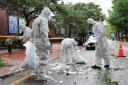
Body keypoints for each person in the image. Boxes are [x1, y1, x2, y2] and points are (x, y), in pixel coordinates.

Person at [31, 7, 54, 80]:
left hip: (36, 41)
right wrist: (47, 43)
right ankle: (41, 75)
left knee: (40, 57)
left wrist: (33, 40)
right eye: (49, 14)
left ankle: (37, 71)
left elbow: (32, 32)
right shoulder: (43, 20)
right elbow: (44, 32)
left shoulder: (36, 19)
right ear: (46, 12)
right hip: (42, 41)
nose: (49, 16)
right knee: (44, 57)